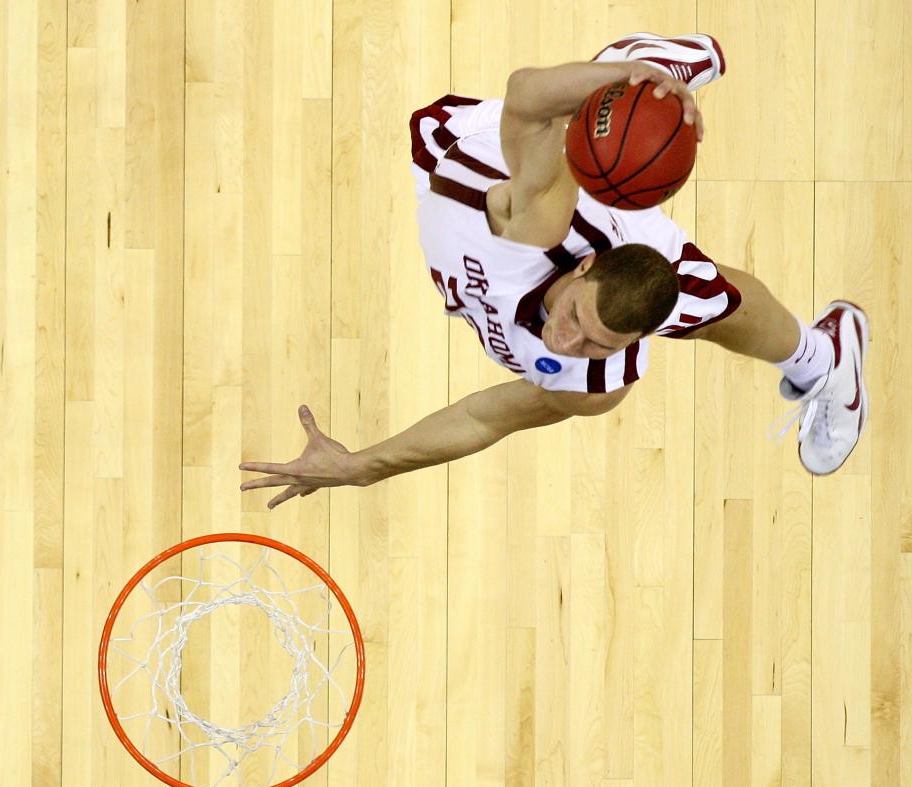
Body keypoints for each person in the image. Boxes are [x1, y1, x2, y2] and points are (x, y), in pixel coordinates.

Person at [240, 33, 869, 509]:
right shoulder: (532, 224)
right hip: (483, 165)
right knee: (577, 141)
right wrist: (630, 77)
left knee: (713, 310)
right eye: (575, 317)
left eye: (598, 342)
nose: (567, 342)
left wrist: (364, 466)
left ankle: (822, 355)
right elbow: (524, 94)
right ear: (583, 268)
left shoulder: (597, 380)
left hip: (606, 230)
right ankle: (637, 79)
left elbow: (485, 416)